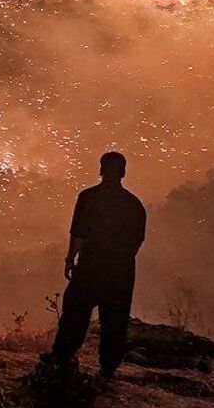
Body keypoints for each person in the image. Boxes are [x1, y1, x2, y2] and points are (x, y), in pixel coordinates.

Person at [47, 151, 146, 378]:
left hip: (90, 266)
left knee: (76, 312)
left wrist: (70, 259)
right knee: (115, 319)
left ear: (101, 170)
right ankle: (109, 366)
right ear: (123, 172)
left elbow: (78, 234)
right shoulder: (134, 205)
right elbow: (137, 241)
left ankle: (63, 355)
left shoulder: (88, 198)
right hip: (121, 270)